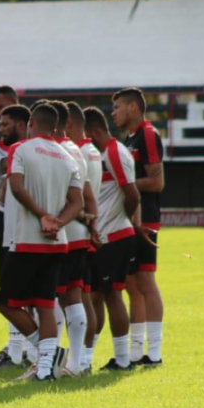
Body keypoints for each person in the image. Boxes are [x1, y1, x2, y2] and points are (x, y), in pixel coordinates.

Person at [0, 103, 83, 382]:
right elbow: (77, 202)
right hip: (57, 243)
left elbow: (17, 188)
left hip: (27, 240)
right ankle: (45, 371)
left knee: (5, 302)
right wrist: (57, 222)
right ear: (56, 126)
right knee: (45, 304)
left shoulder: (21, 149)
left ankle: (48, 354)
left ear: (31, 121)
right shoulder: (66, 156)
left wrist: (42, 216)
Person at [84, 106, 140, 371]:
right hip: (104, 236)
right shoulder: (106, 153)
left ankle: (122, 359)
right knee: (95, 297)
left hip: (114, 236)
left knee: (112, 295)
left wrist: (122, 219)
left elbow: (132, 194)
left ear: (94, 131)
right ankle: (84, 359)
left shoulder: (115, 153)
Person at [113, 87, 165, 367]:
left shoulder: (147, 134)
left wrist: (123, 185)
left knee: (145, 282)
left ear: (133, 107)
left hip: (147, 218)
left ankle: (154, 352)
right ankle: (135, 352)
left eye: (117, 107)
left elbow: (157, 182)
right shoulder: (130, 138)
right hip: (131, 216)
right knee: (132, 284)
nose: (114, 113)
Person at [51, 102, 99, 376]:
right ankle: (78, 362)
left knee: (55, 297)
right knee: (77, 296)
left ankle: (53, 360)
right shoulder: (78, 152)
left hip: (63, 232)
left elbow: (69, 198)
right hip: (81, 234)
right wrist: (93, 226)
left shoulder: (59, 151)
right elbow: (89, 196)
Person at [0, 86, 25, 368]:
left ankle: (20, 347)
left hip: (24, 218)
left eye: (0, 108)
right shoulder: (3, 141)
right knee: (7, 280)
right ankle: (16, 344)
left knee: (19, 283)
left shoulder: (27, 142)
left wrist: (2, 187)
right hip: (5, 216)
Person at [66, 102, 103, 373]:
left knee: (79, 297)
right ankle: (84, 359)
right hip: (89, 230)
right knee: (86, 296)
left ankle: (81, 360)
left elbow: (81, 196)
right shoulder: (93, 152)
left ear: (68, 124)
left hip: (78, 230)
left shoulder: (76, 153)